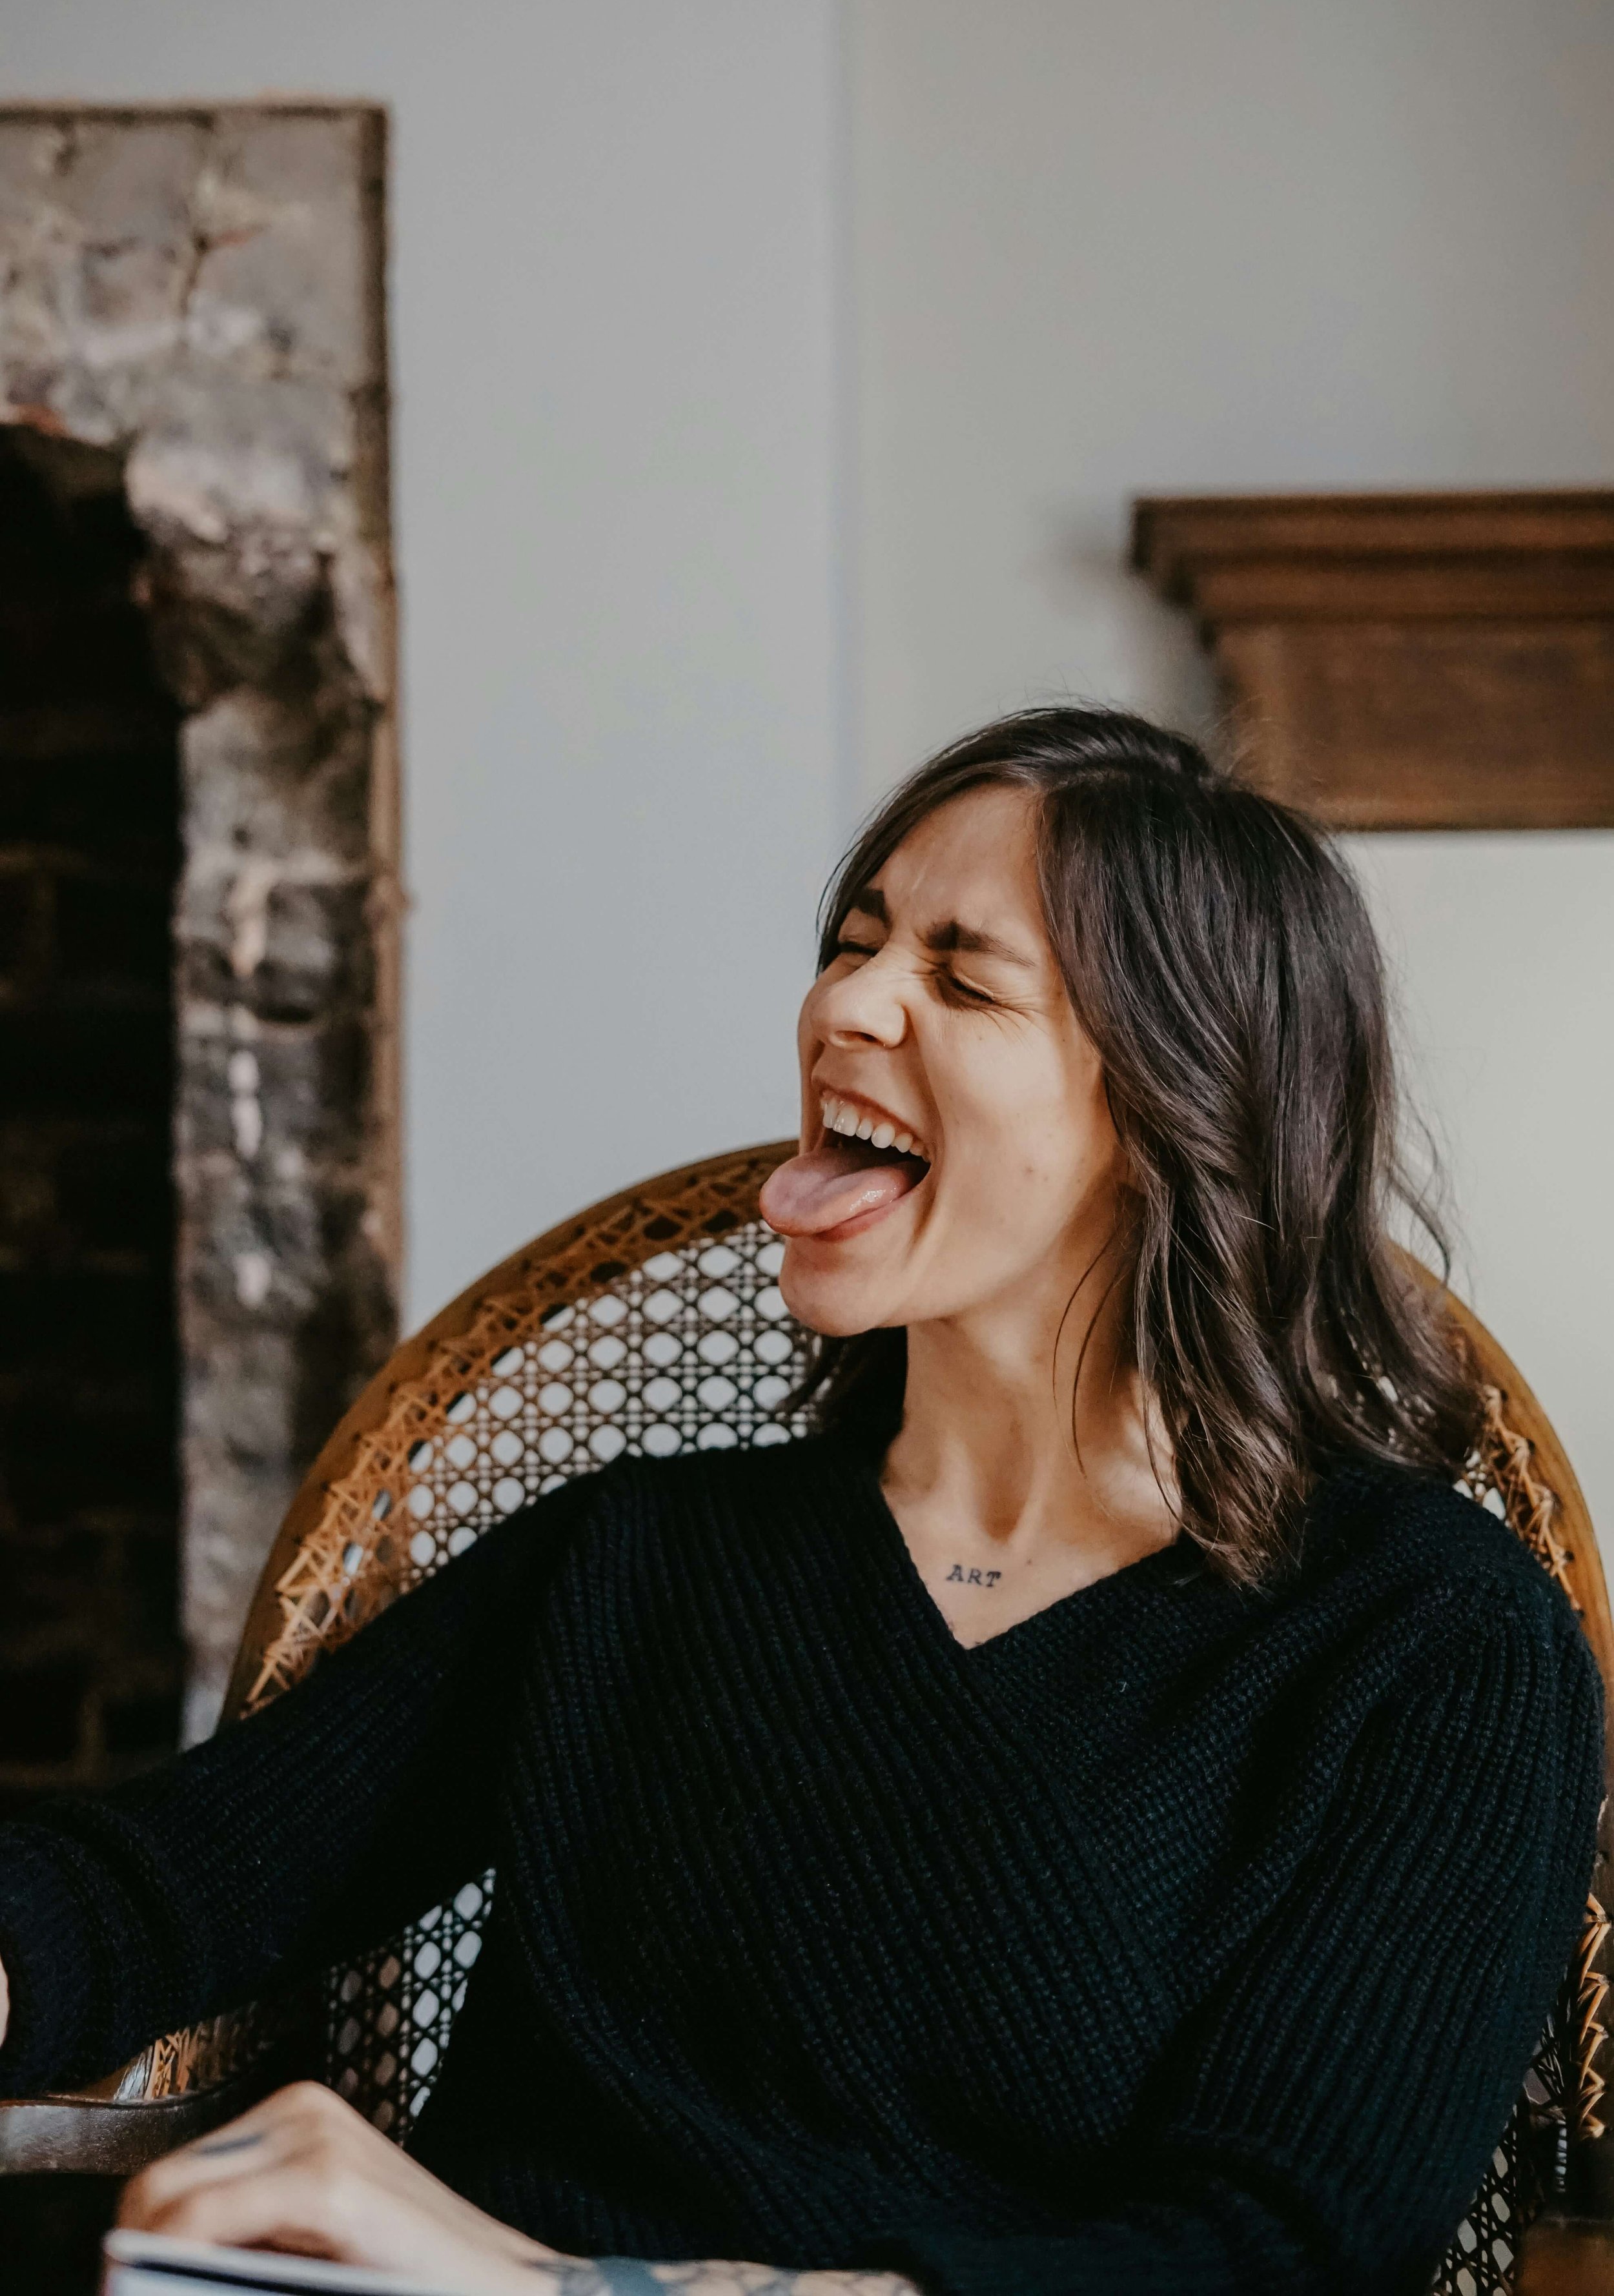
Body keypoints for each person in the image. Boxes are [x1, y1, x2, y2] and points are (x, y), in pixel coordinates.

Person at [0, 707, 1600, 2296]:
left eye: (960, 977)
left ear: (1180, 1108)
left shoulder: (1428, 1644)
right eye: (853, 942)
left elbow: (1270, 2252)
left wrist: (551, 2293)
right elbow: (156, 1890)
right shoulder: (642, 1560)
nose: (846, 1002)